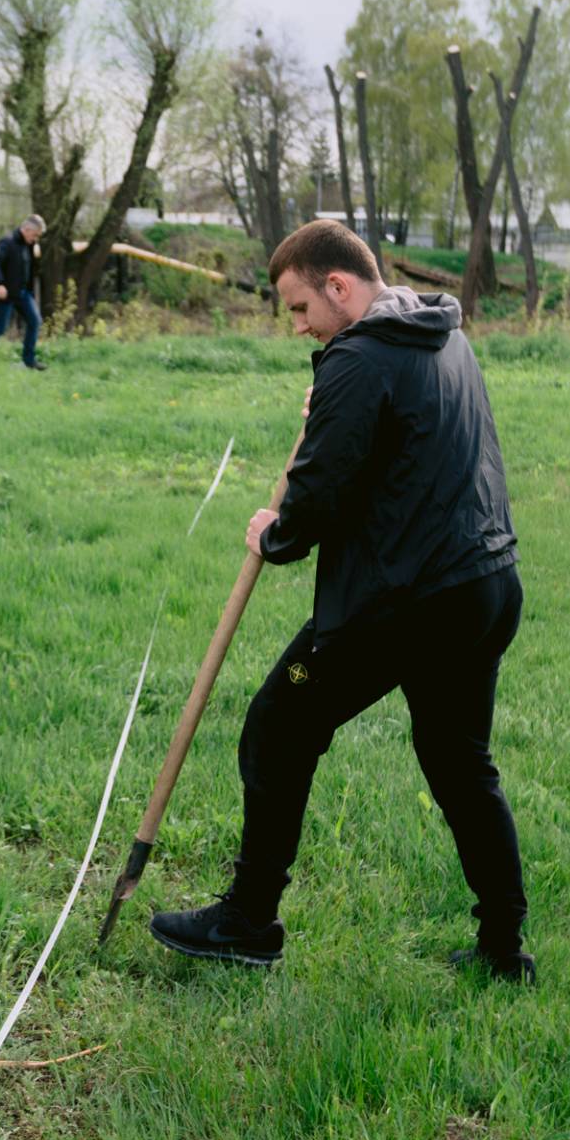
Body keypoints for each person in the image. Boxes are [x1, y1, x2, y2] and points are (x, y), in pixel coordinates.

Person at [149, 220, 533, 984]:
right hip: (486, 585)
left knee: (277, 726)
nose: (299, 329)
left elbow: (321, 494)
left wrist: (274, 533)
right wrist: (331, 409)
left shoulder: (357, 357)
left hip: (409, 601)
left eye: (300, 309)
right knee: (461, 766)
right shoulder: (441, 334)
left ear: (340, 285)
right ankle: (504, 948)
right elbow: (394, 455)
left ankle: (248, 921)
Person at [0, 214, 46, 370]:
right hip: (6, 293)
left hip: (22, 293)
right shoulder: (7, 242)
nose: (36, 239)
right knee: (0, 328)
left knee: (35, 321)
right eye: (35, 235)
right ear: (27, 229)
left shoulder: (28, 244)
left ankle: (29, 361)